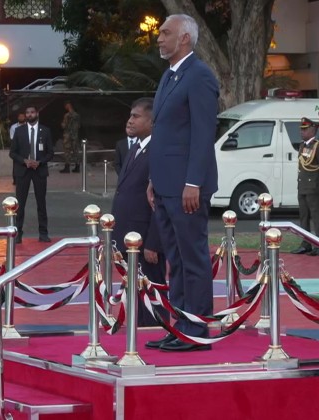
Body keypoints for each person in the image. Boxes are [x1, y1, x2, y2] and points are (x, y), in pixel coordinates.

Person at [145, 14, 218, 352]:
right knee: (175, 260)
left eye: (166, 33)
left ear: (185, 38)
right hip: (165, 184)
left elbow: (203, 133)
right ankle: (180, 326)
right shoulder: (170, 75)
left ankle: (197, 330)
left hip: (187, 187)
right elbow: (165, 132)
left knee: (193, 259)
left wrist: (193, 182)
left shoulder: (199, 75)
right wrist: (153, 178)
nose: (159, 38)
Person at [110, 98, 167, 326]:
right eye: (130, 115)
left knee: (151, 292)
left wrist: (154, 242)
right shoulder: (134, 147)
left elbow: (159, 201)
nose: (130, 121)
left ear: (152, 121)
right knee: (135, 292)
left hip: (145, 239)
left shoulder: (158, 151)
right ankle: (140, 330)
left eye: (136, 116)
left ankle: (155, 330)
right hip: (129, 237)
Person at [10, 105, 53, 244]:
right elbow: (12, 153)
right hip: (23, 171)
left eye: (32, 112)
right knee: (20, 204)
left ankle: (43, 233)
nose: (30, 115)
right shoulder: (19, 131)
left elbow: (50, 153)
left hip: (39, 171)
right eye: (27, 112)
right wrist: (24, 161)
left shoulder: (45, 131)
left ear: (37, 113)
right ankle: (18, 233)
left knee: (41, 203)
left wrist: (39, 162)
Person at [291, 117, 319, 256]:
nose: (302, 132)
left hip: (314, 187)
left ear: (313, 130)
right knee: (304, 217)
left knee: (317, 218)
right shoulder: (302, 145)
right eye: (301, 129)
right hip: (303, 186)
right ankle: (305, 243)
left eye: (305, 129)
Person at [60, 100, 81, 173]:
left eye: (65, 105)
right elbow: (79, 126)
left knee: (67, 151)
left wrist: (62, 124)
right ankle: (77, 166)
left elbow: (64, 126)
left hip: (68, 135)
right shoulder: (77, 115)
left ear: (68, 105)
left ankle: (67, 167)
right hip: (75, 135)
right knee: (76, 151)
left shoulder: (67, 115)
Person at [8, 113, 26, 185]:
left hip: (26, 148)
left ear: (25, 117)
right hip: (17, 148)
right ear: (18, 118)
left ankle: (25, 179)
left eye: (22, 116)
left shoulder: (28, 126)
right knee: (16, 164)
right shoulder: (13, 127)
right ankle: (15, 180)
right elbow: (12, 138)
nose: (21, 118)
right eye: (20, 116)